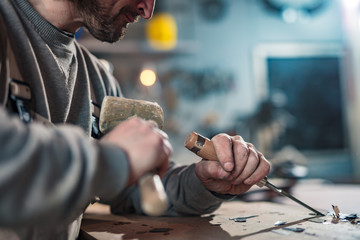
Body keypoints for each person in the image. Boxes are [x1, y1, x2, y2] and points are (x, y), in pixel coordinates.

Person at [0, 0, 271, 239]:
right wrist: (112, 160)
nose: (148, 9)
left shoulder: (99, 81)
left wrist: (203, 182)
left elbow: (135, 190)